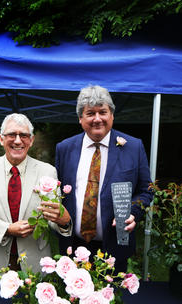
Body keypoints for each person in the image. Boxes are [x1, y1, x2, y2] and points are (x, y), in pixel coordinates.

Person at [55, 85, 153, 272]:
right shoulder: (64, 148)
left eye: (103, 112)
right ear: (80, 118)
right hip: (72, 246)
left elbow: (146, 190)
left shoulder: (133, 147)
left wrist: (133, 212)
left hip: (115, 247)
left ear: (112, 115)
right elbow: (57, 192)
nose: (97, 119)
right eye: (90, 113)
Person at [0, 113, 71, 283]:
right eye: (11, 135)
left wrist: (63, 222)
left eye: (23, 135)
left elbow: (50, 217)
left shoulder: (48, 172)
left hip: (35, 263)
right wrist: (6, 229)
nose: (17, 140)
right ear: (1, 139)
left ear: (31, 140)